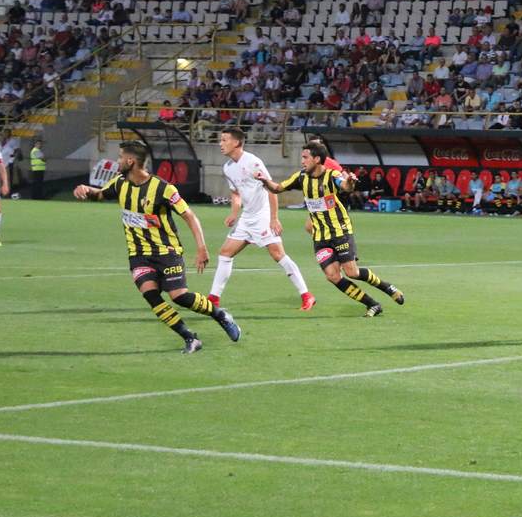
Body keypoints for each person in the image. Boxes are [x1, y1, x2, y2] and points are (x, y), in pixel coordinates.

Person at [72, 141, 242, 353]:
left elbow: (189, 215)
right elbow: (99, 194)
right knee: (151, 295)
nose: (117, 161)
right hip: (138, 254)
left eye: (119, 157)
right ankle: (190, 338)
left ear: (130, 161)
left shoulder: (163, 188)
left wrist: (201, 248)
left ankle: (220, 315)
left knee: (180, 296)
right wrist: (86, 189)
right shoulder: (120, 183)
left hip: (166, 252)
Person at [255, 142, 405, 316]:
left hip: (340, 230)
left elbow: (345, 186)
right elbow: (277, 188)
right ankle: (372, 304)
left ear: (317, 159)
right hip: (320, 236)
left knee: (352, 272)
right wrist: (264, 181)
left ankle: (388, 287)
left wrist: (349, 182)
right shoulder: (301, 177)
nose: (302, 161)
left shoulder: (331, 175)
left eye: (305, 157)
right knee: (333, 276)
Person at [207, 128, 314, 311]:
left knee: (278, 255)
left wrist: (274, 219)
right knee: (225, 253)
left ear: (237, 143)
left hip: (262, 217)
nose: (220, 143)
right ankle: (213, 299)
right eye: (220, 140)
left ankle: (306, 295)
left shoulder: (253, 162)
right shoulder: (227, 168)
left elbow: (271, 189)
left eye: (224, 140)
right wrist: (234, 213)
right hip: (246, 218)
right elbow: (235, 194)